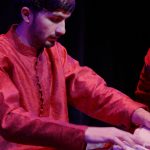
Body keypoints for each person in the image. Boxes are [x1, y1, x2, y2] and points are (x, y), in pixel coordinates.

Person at [0, 0, 150, 150]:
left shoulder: (57, 54)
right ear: (27, 14)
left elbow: (94, 92)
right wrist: (86, 134)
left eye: (65, 20)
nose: (62, 30)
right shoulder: (3, 54)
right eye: (55, 19)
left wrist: (137, 114)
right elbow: (9, 119)